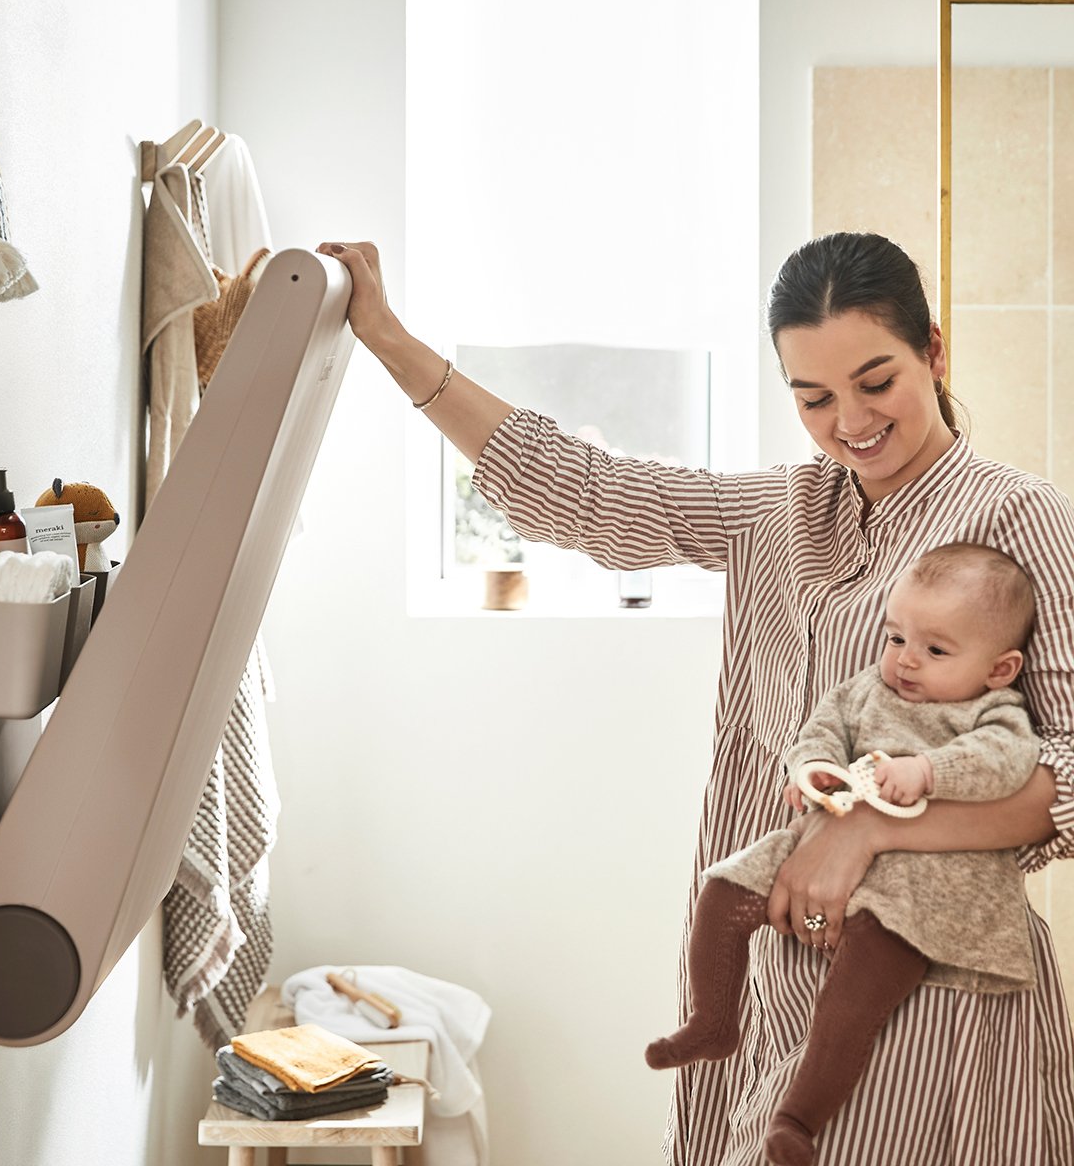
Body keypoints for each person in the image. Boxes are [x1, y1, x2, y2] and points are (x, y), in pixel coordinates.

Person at [318, 231, 1074, 1164]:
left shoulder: (1015, 518)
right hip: (778, 980)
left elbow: (1064, 776)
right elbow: (584, 493)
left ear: (935, 352)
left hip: (939, 995)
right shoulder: (782, 513)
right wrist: (387, 336)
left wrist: (871, 828)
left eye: (877, 382)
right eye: (814, 398)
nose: (851, 421)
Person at [645, 541, 1040, 1166]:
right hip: (826, 834)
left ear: (999, 668)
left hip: (926, 883)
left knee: (865, 984)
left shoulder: (994, 712)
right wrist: (814, 770)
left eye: (935, 650)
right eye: (895, 638)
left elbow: (1009, 764)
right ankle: (714, 1018)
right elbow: (818, 733)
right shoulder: (863, 692)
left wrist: (929, 770)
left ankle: (798, 1119)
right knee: (721, 891)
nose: (906, 661)